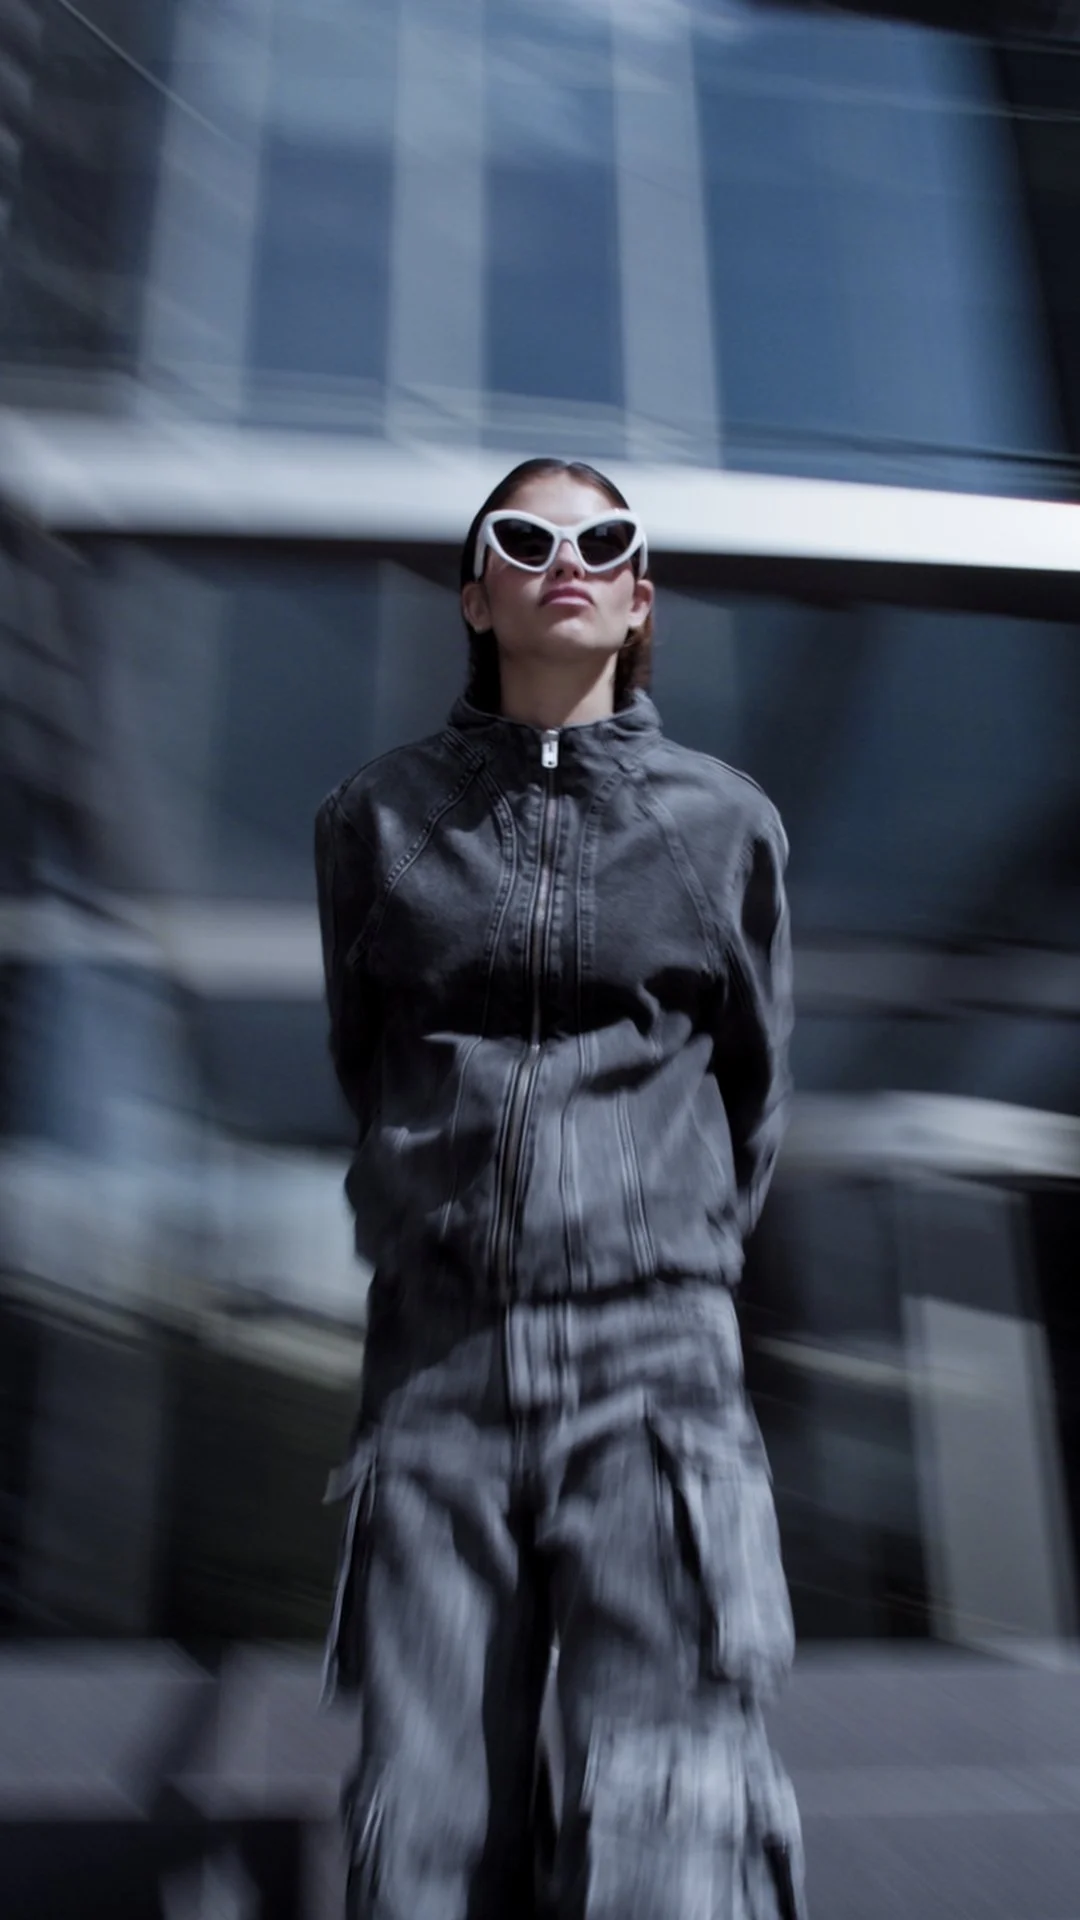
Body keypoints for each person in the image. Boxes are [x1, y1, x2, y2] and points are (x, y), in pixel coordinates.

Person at [314, 456, 807, 1920]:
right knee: (424, 1819)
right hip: (436, 1362)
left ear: (640, 597)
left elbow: (753, 1087)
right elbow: (370, 1058)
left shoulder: (722, 825)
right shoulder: (377, 821)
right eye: (525, 540)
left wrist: (654, 1238)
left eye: (603, 543)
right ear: (479, 596)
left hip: (653, 1365)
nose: (565, 563)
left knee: (669, 1811)